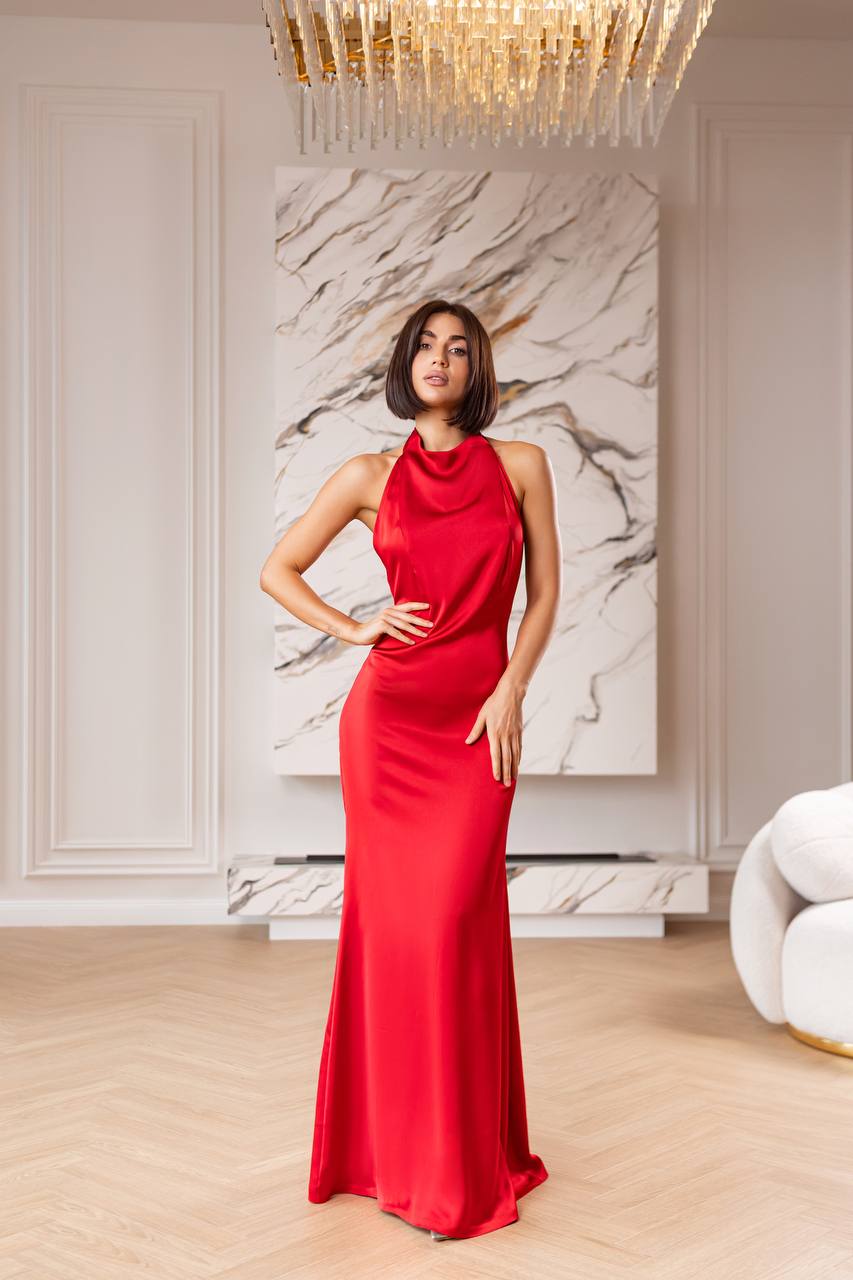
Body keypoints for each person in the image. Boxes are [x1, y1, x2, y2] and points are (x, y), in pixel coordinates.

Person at [260, 298, 562, 1240]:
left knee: (453, 930)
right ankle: (391, 1157)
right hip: (387, 725)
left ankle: (461, 1164)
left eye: (459, 348)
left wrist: (511, 689)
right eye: (426, 346)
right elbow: (278, 568)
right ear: (405, 363)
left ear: (476, 372)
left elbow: (546, 591)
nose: (440, 359)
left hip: (477, 725)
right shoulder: (366, 475)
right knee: (394, 936)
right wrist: (356, 627)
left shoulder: (521, 466)